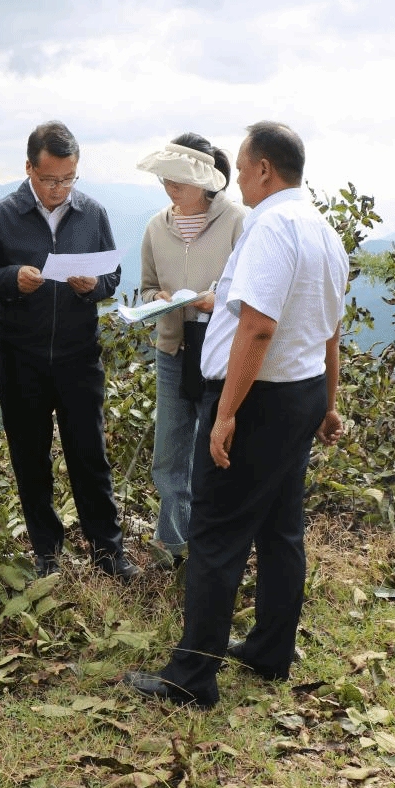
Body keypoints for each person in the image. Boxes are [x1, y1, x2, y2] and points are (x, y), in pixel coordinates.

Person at [125, 121, 348, 706]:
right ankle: (270, 650)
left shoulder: (272, 227)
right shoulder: (321, 229)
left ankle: (193, 677)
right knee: (280, 530)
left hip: (259, 401)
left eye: (243, 168)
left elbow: (258, 325)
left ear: (266, 170)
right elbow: (330, 325)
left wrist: (224, 415)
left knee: (216, 535)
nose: (237, 179)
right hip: (299, 394)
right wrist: (328, 402)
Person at [0, 121, 140, 582]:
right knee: (30, 457)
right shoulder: (0, 216)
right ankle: (47, 551)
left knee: (89, 454)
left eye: (68, 179)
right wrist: (13, 280)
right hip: (20, 357)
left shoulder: (92, 214)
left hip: (78, 355)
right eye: (49, 179)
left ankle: (109, 552)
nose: (59, 189)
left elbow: (113, 275)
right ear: (29, 169)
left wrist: (93, 287)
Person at [137, 134, 247, 569]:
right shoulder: (155, 226)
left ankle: (214, 545)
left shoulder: (237, 222)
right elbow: (146, 286)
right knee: (168, 454)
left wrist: (212, 299)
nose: (169, 188)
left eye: (178, 182)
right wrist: (157, 299)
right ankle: (175, 545)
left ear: (204, 183)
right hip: (172, 350)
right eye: (167, 180)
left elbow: (249, 292)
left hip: (219, 355)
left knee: (215, 452)